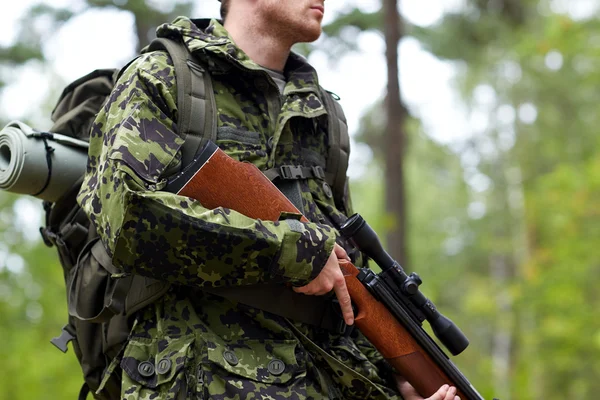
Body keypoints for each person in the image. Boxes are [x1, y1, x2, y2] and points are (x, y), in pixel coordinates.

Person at [76, 0, 461, 399]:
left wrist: (393, 378)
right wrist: (291, 251)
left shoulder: (322, 111)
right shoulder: (164, 77)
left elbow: (341, 280)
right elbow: (128, 220)